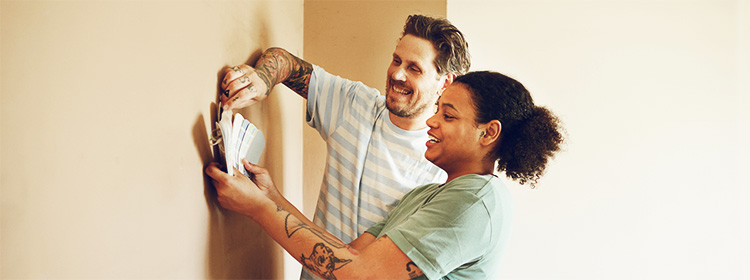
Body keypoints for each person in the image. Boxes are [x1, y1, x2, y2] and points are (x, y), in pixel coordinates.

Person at [206, 71, 565, 279]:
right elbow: (348, 255)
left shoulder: (477, 200)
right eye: (438, 110)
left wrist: (258, 209)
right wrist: (271, 198)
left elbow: (363, 277)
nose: (432, 121)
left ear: (488, 133)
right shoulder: (426, 194)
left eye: (449, 116)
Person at [219, 14, 470, 248]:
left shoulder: (443, 164)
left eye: (414, 68)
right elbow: (284, 62)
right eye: (396, 60)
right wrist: (263, 77)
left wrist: (262, 204)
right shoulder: (355, 103)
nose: (397, 74)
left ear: (445, 83)